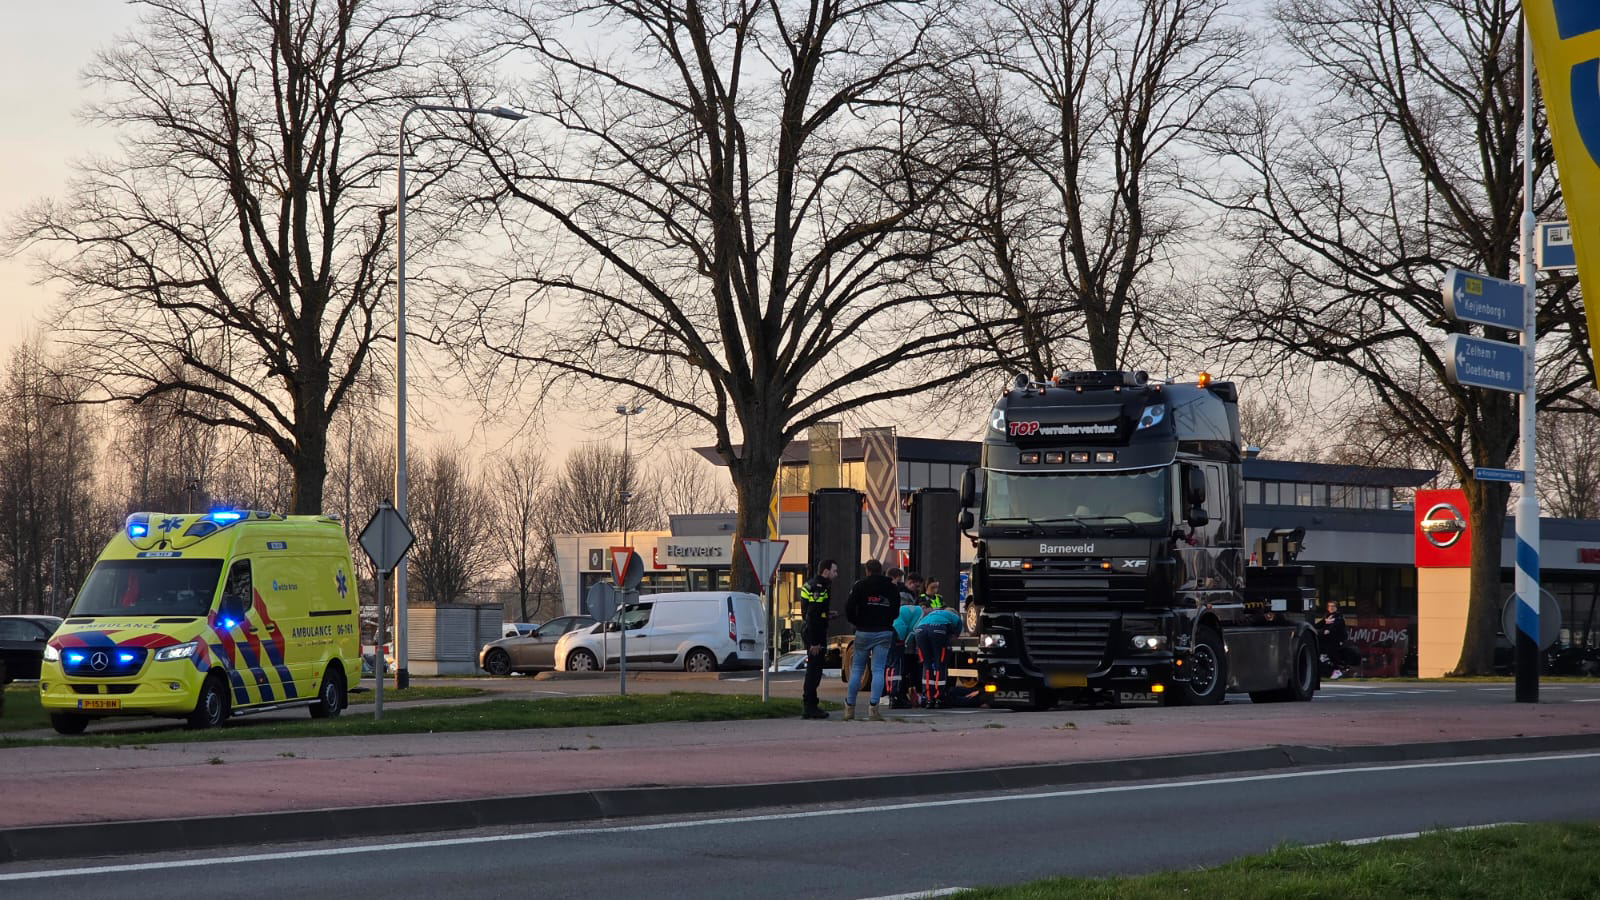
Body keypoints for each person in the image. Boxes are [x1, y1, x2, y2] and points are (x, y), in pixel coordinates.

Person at [843, 558, 900, 721]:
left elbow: (849, 607)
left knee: (857, 669)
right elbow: (896, 611)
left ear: (867, 571)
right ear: (881, 570)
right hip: (884, 631)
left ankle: (849, 707)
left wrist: (856, 621)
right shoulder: (891, 588)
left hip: (863, 631)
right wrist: (886, 620)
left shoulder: (860, 586)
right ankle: (873, 708)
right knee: (878, 669)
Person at [798, 559, 838, 719]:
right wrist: (815, 642)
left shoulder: (812, 584)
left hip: (812, 629)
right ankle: (810, 706)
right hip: (814, 633)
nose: (836, 574)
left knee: (814, 670)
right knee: (814, 671)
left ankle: (811, 705)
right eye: (834, 571)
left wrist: (827, 615)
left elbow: (812, 611)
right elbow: (813, 615)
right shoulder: (819, 587)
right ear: (826, 571)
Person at [913, 588, 962, 708]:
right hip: (938, 631)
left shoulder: (932, 614)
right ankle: (939, 697)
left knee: (926, 664)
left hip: (920, 630)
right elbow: (955, 637)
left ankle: (928, 699)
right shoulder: (954, 616)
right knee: (940, 664)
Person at [888, 579, 925, 709]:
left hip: (891, 630)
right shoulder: (920, 613)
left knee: (893, 665)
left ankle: (893, 695)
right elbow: (913, 630)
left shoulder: (910, 609)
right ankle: (897, 696)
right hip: (899, 633)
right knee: (898, 667)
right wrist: (904, 643)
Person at [1318, 599, 1349, 679]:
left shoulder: (1338, 617)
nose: (1331, 608)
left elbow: (1332, 628)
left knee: (1332, 654)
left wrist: (1325, 631)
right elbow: (1319, 624)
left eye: (1333, 606)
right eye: (1329, 606)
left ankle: (1338, 670)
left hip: (1336, 640)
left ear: (1336, 607)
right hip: (1328, 640)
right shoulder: (1327, 616)